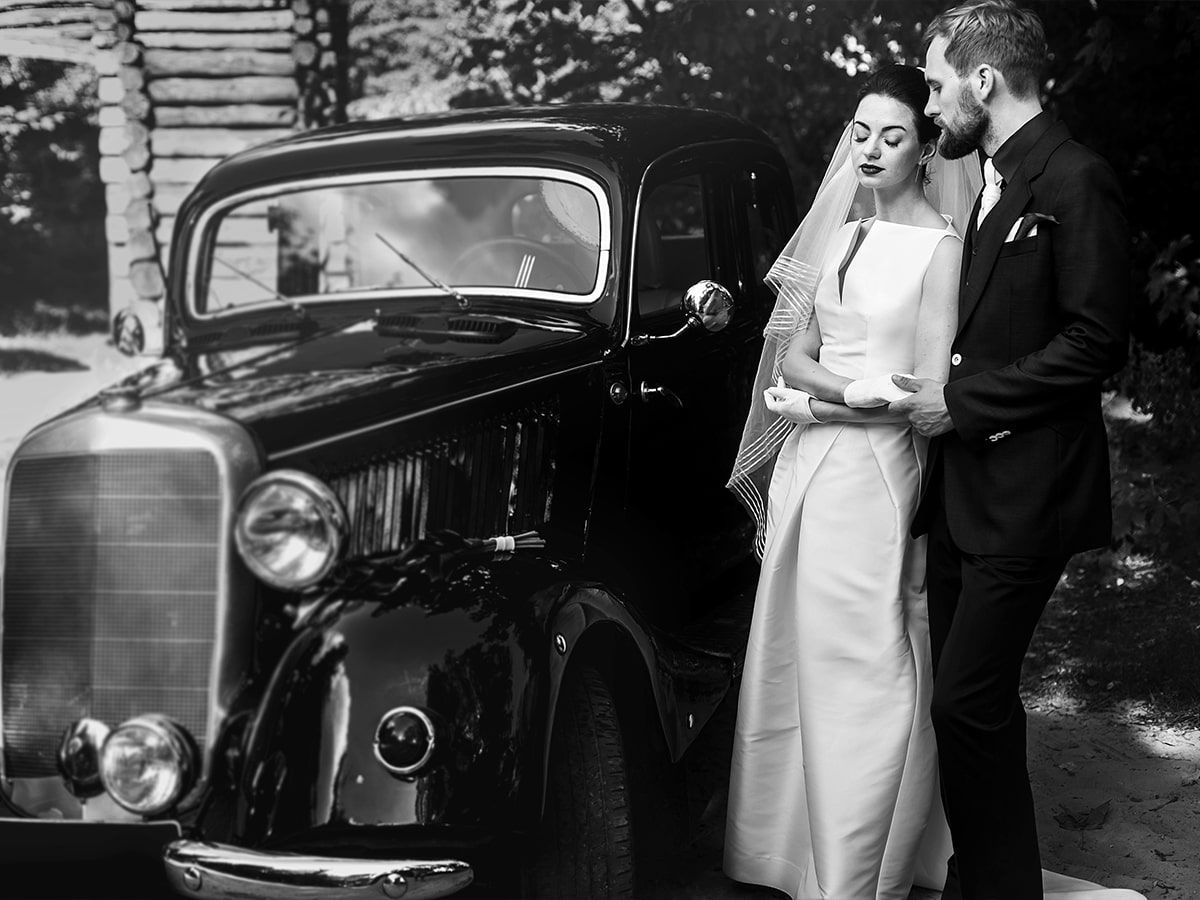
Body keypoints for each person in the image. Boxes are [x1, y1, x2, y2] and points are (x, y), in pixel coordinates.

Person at [889, 2, 1133, 898]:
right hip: (965, 494)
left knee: (965, 703)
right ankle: (984, 883)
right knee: (968, 708)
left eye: (935, 79)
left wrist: (960, 405)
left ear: (982, 80)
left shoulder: (1076, 180)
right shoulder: (990, 176)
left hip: (1029, 492)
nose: (928, 99)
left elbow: (1095, 340)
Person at [723, 64, 974, 900]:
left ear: (926, 146)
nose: (870, 150)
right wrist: (831, 397)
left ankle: (862, 864)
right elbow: (790, 353)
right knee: (799, 650)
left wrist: (848, 404)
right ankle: (784, 851)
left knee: (871, 661)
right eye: (860, 133)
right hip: (813, 460)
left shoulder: (941, 248)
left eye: (893, 135)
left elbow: (927, 386)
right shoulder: (838, 235)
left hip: (878, 472)